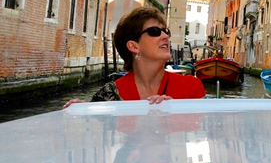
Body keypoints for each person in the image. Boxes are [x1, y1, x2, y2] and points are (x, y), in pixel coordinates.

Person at [64, 7, 205, 107]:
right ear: (134, 46)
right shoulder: (108, 95)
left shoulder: (191, 87)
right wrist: (83, 112)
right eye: (154, 31)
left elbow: (202, 134)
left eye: (165, 31)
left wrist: (175, 112)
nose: (165, 36)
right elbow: (98, 138)